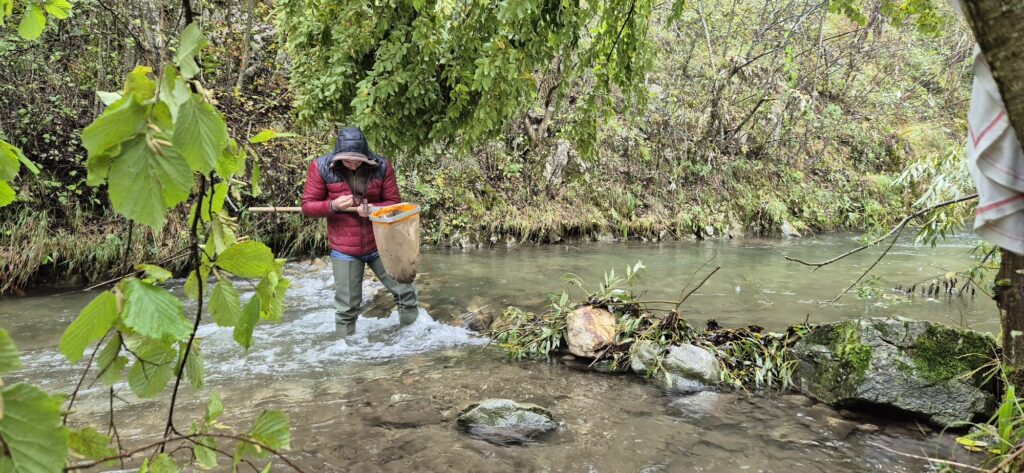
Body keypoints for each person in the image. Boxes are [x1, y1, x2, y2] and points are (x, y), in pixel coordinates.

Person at [301, 127, 420, 336]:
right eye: (348, 161)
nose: (353, 164)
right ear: (338, 157)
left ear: (366, 155)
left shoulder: (382, 166)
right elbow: (308, 207)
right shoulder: (320, 167)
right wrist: (333, 206)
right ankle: (347, 354)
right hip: (344, 247)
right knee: (347, 307)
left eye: (358, 161)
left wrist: (373, 210)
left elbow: (394, 203)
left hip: (381, 243)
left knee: (405, 292)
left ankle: (412, 340)